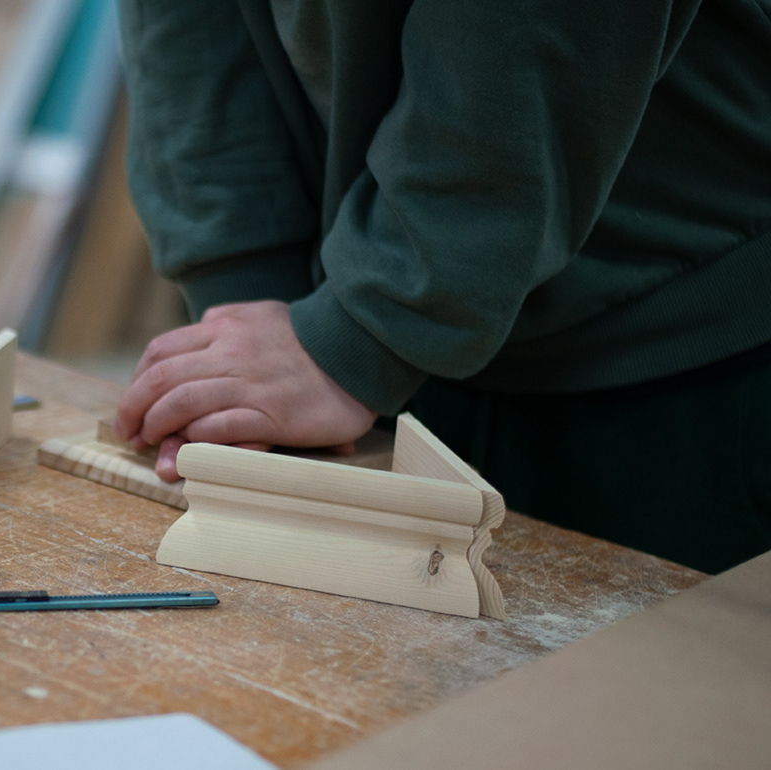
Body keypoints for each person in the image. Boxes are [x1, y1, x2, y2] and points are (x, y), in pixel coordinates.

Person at [111, 0, 771, 574]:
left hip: (673, 357)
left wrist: (366, 328)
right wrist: (251, 289)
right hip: (348, 333)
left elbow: (532, 29)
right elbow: (188, 28)